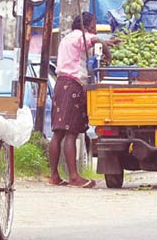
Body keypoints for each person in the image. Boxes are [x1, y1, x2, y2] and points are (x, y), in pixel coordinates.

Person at [48, 12, 118, 188]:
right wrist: (108, 54)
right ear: (86, 25)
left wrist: (105, 42)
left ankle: (54, 175)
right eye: (93, 24)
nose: (95, 28)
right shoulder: (81, 35)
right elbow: (94, 41)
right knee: (71, 132)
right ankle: (73, 177)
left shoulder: (68, 38)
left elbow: (93, 42)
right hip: (72, 85)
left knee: (58, 133)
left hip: (61, 84)